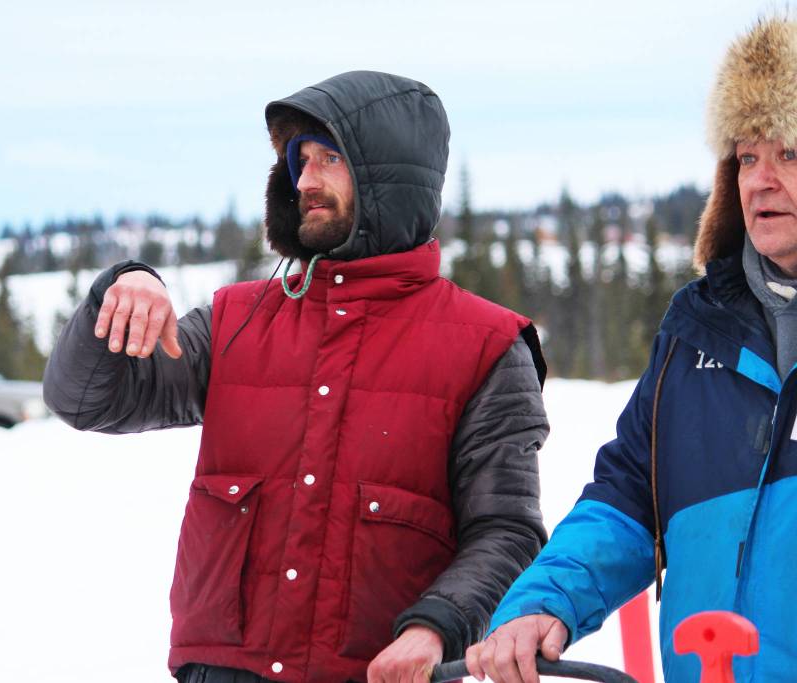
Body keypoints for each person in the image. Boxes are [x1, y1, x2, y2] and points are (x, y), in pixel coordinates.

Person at [45, 71, 549, 683]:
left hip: (381, 675)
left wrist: (434, 627)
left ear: (391, 174)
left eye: (330, 157)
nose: (305, 179)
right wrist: (118, 290)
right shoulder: (236, 319)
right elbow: (89, 401)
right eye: (300, 159)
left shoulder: (488, 346)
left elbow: (506, 531)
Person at [465, 16, 797, 683]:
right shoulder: (695, 331)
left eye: (788, 152)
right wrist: (545, 600)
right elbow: (626, 495)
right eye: (747, 156)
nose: (761, 179)